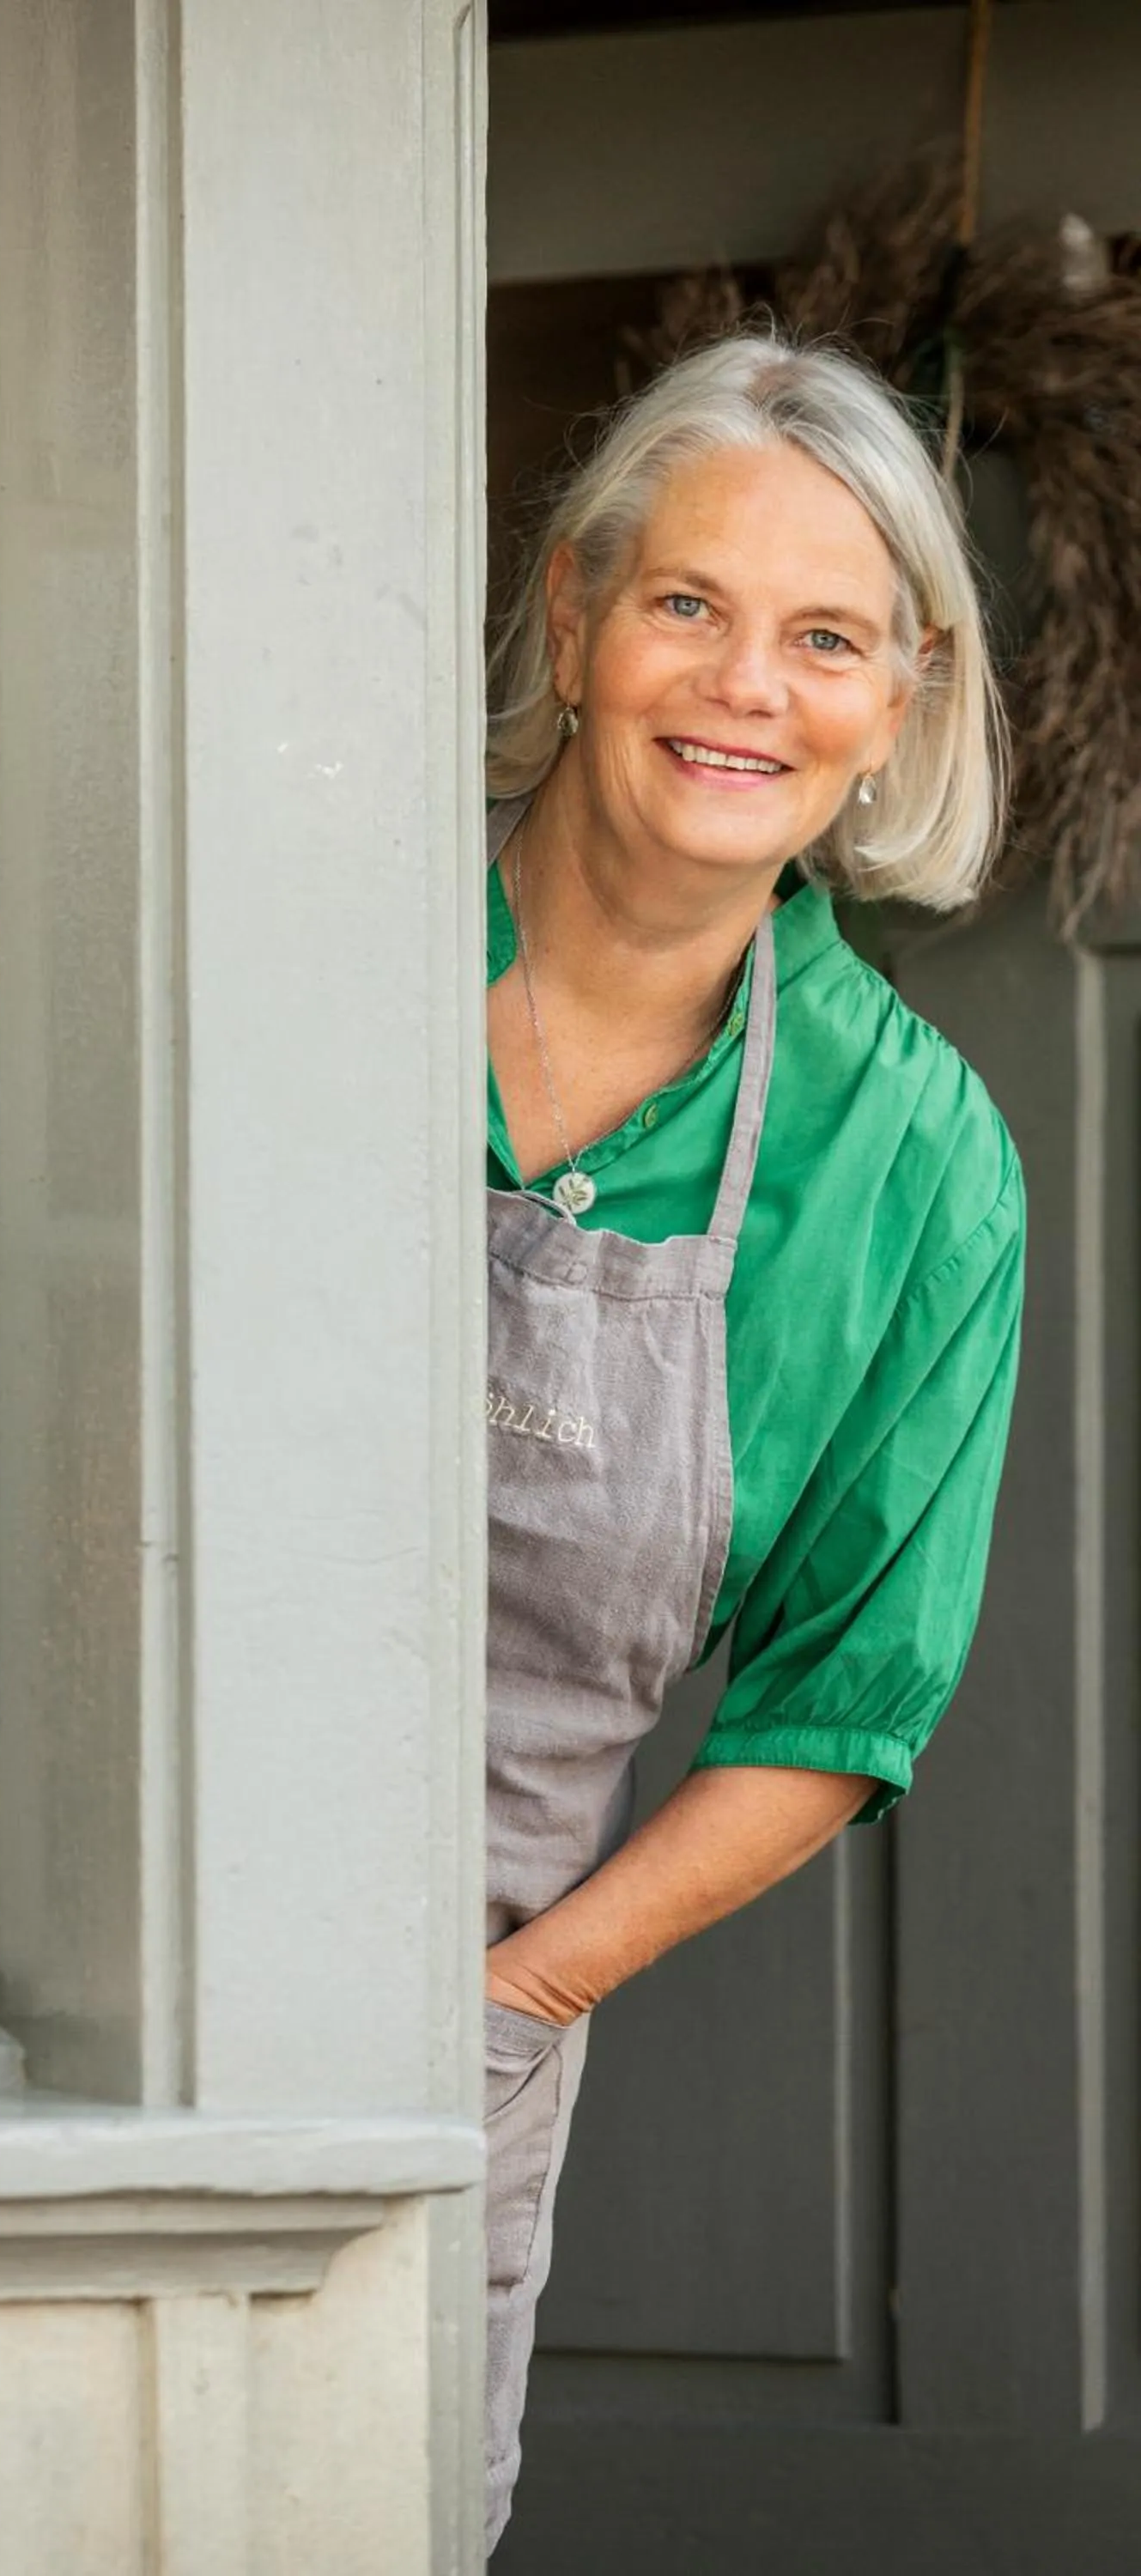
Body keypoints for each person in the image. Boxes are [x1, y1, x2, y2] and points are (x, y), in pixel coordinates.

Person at [481, 332, 1023, 2556]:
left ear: (901, 703)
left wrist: (517, 1998)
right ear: (574, 614)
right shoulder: (280, 919)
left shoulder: (913, 1167)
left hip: (454, 2030)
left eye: (826, 639)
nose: (745, 688)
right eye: (690, 604)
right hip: (30, 1929)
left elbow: (843, 1699)